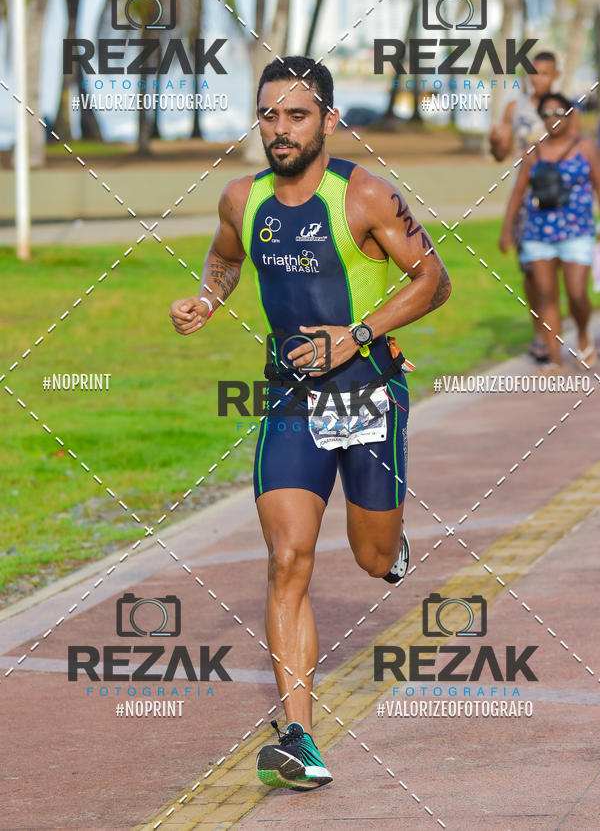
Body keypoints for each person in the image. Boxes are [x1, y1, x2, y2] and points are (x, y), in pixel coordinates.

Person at [169, 56, 451, 791]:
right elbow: (224, 257)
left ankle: (390, 543)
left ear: (329, 119)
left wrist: (356, 334)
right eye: (269, 115)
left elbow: (433, 279)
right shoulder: (242, 197)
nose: (281, 129)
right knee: (288, 559)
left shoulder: (365, 195)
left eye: (297, 115)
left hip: (366, 392)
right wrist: (208, 296)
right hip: (290, 396)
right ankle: (299, 736)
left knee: (369, 555)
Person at [490, 51, 580, 363]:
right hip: (528, 199)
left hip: (562, 201)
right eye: (533, 72)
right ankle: (541, 333)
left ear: (555, 75)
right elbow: (501, 154)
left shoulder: (566, 108)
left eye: (544, 73)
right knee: (531, 274)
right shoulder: (515, 108)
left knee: (559, 273)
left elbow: (578, 150)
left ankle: (562, 329)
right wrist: (496, 141)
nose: (537, 78)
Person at [499, 92, 600, 370]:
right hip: (538, 234)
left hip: (577, 231)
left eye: (559, 113)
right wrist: (507, 231)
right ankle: (555, 357)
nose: (553, 119)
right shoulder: (533, 152)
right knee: (546, 296)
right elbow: (518, 193)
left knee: (577, 292)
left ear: (569, 116)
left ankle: (582, 333)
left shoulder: (586, 147)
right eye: (546, 114)